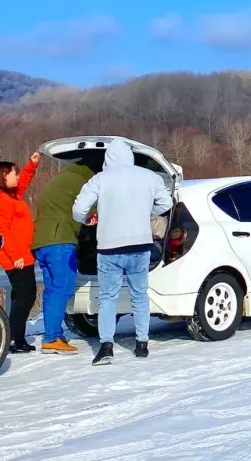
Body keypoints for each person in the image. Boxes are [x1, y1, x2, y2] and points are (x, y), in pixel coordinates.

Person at [72, 139, 172, 366]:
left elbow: (78, 210)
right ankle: (142, 344)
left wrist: (88, 219)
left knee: (107, 297)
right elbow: (165, 204)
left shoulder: (100, 179)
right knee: (139, 295)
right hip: (140, 244)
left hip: (109, 247)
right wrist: (146, 213)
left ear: (108, 159)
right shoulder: (149, 177)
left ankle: (106, 345)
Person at [31, 158, 102, 354]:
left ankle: (52, 333)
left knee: (51, 290)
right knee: (62, 288)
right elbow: (88, 209)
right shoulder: (85, 183)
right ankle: (52, 338)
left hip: (41, 241)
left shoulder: (60, 180)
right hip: (59, 240)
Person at [0, 152, 42, 353]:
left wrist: (31, 165)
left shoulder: (12, 195)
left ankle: (16, 336)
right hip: (15, 258)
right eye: (13, 173)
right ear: (3, 176)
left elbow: (23, 181)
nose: (17, 177)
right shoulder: (2, 200)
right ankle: (13, 338)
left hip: (22, 255)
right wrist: (15, 255)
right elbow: (2, 232)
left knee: (22, 296)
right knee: (25, 296)